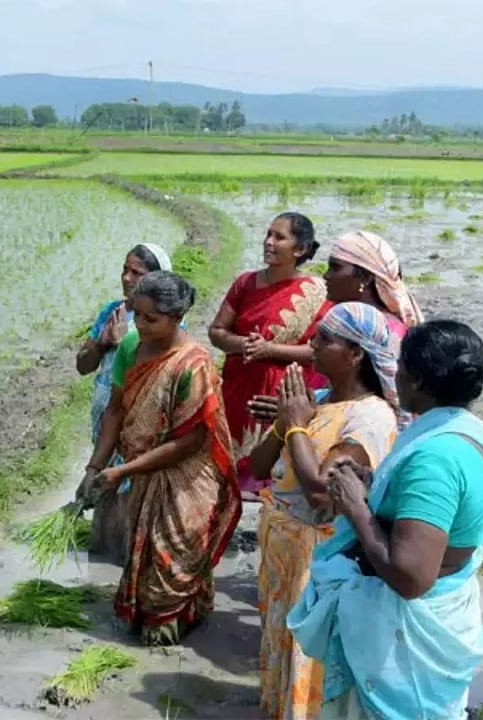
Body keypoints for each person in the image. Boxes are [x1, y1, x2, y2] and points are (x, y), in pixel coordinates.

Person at [286, 320, 483, 719]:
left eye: (401, 365)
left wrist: (357, 508)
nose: (394, 372)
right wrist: (376, 491)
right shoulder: (464, 430)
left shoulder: (437, 458)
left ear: (417, 379)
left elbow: (410, 577)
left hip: (409, 637)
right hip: (442, 612)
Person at [248, 303, 401, 720]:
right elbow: (259, 467)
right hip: (283, 555)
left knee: (307, 657)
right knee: (280, 643)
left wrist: (296, 425)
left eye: (325, 340)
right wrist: (284, 424)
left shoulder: (369, 417)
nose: (312, 346)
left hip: (318, 562)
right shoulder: (316, 400)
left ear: (356, 354)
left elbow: (321, 491)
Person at [78, 271, 242, 646]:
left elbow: (190, 440)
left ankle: (172, 622)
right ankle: (154, 617)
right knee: (146, 548)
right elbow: (116, 411)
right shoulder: (132, 347)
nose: (140, 324)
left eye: (151, 318)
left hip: (185, 475)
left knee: (175, 551)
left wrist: (123, 470)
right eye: (137, 314)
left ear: (176, 316)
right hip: (144, 471)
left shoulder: (194, 364)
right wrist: (95, 467)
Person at [209, 212, 331, 498]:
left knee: (274, 463)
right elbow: (217, 332)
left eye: (279, 237)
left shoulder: (315, 294)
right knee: (229, 463)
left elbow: (317, 352)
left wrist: (270, 349)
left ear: (299, 249)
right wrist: (246, 345)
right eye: (268, 234)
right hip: (239, 387)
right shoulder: (245, 283)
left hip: (282, 391)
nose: (269, 242)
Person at [75, 243, 175, 562]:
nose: (127, 278)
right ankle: (105, 557)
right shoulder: (111, 312)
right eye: (125, 269)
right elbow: (83, 365)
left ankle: (130, 560)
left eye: (137, 273)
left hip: (139, 422)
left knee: (132, 489)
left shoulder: (165, 323)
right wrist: (104, 341)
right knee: (105, 484)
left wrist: (122, 346)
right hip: (107, 413)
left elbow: (158, 380)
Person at [322, 230, 422, 340]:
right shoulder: (346, 318)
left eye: (335, 268)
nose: (326, 275)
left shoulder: (385, 333)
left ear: (365, 277)